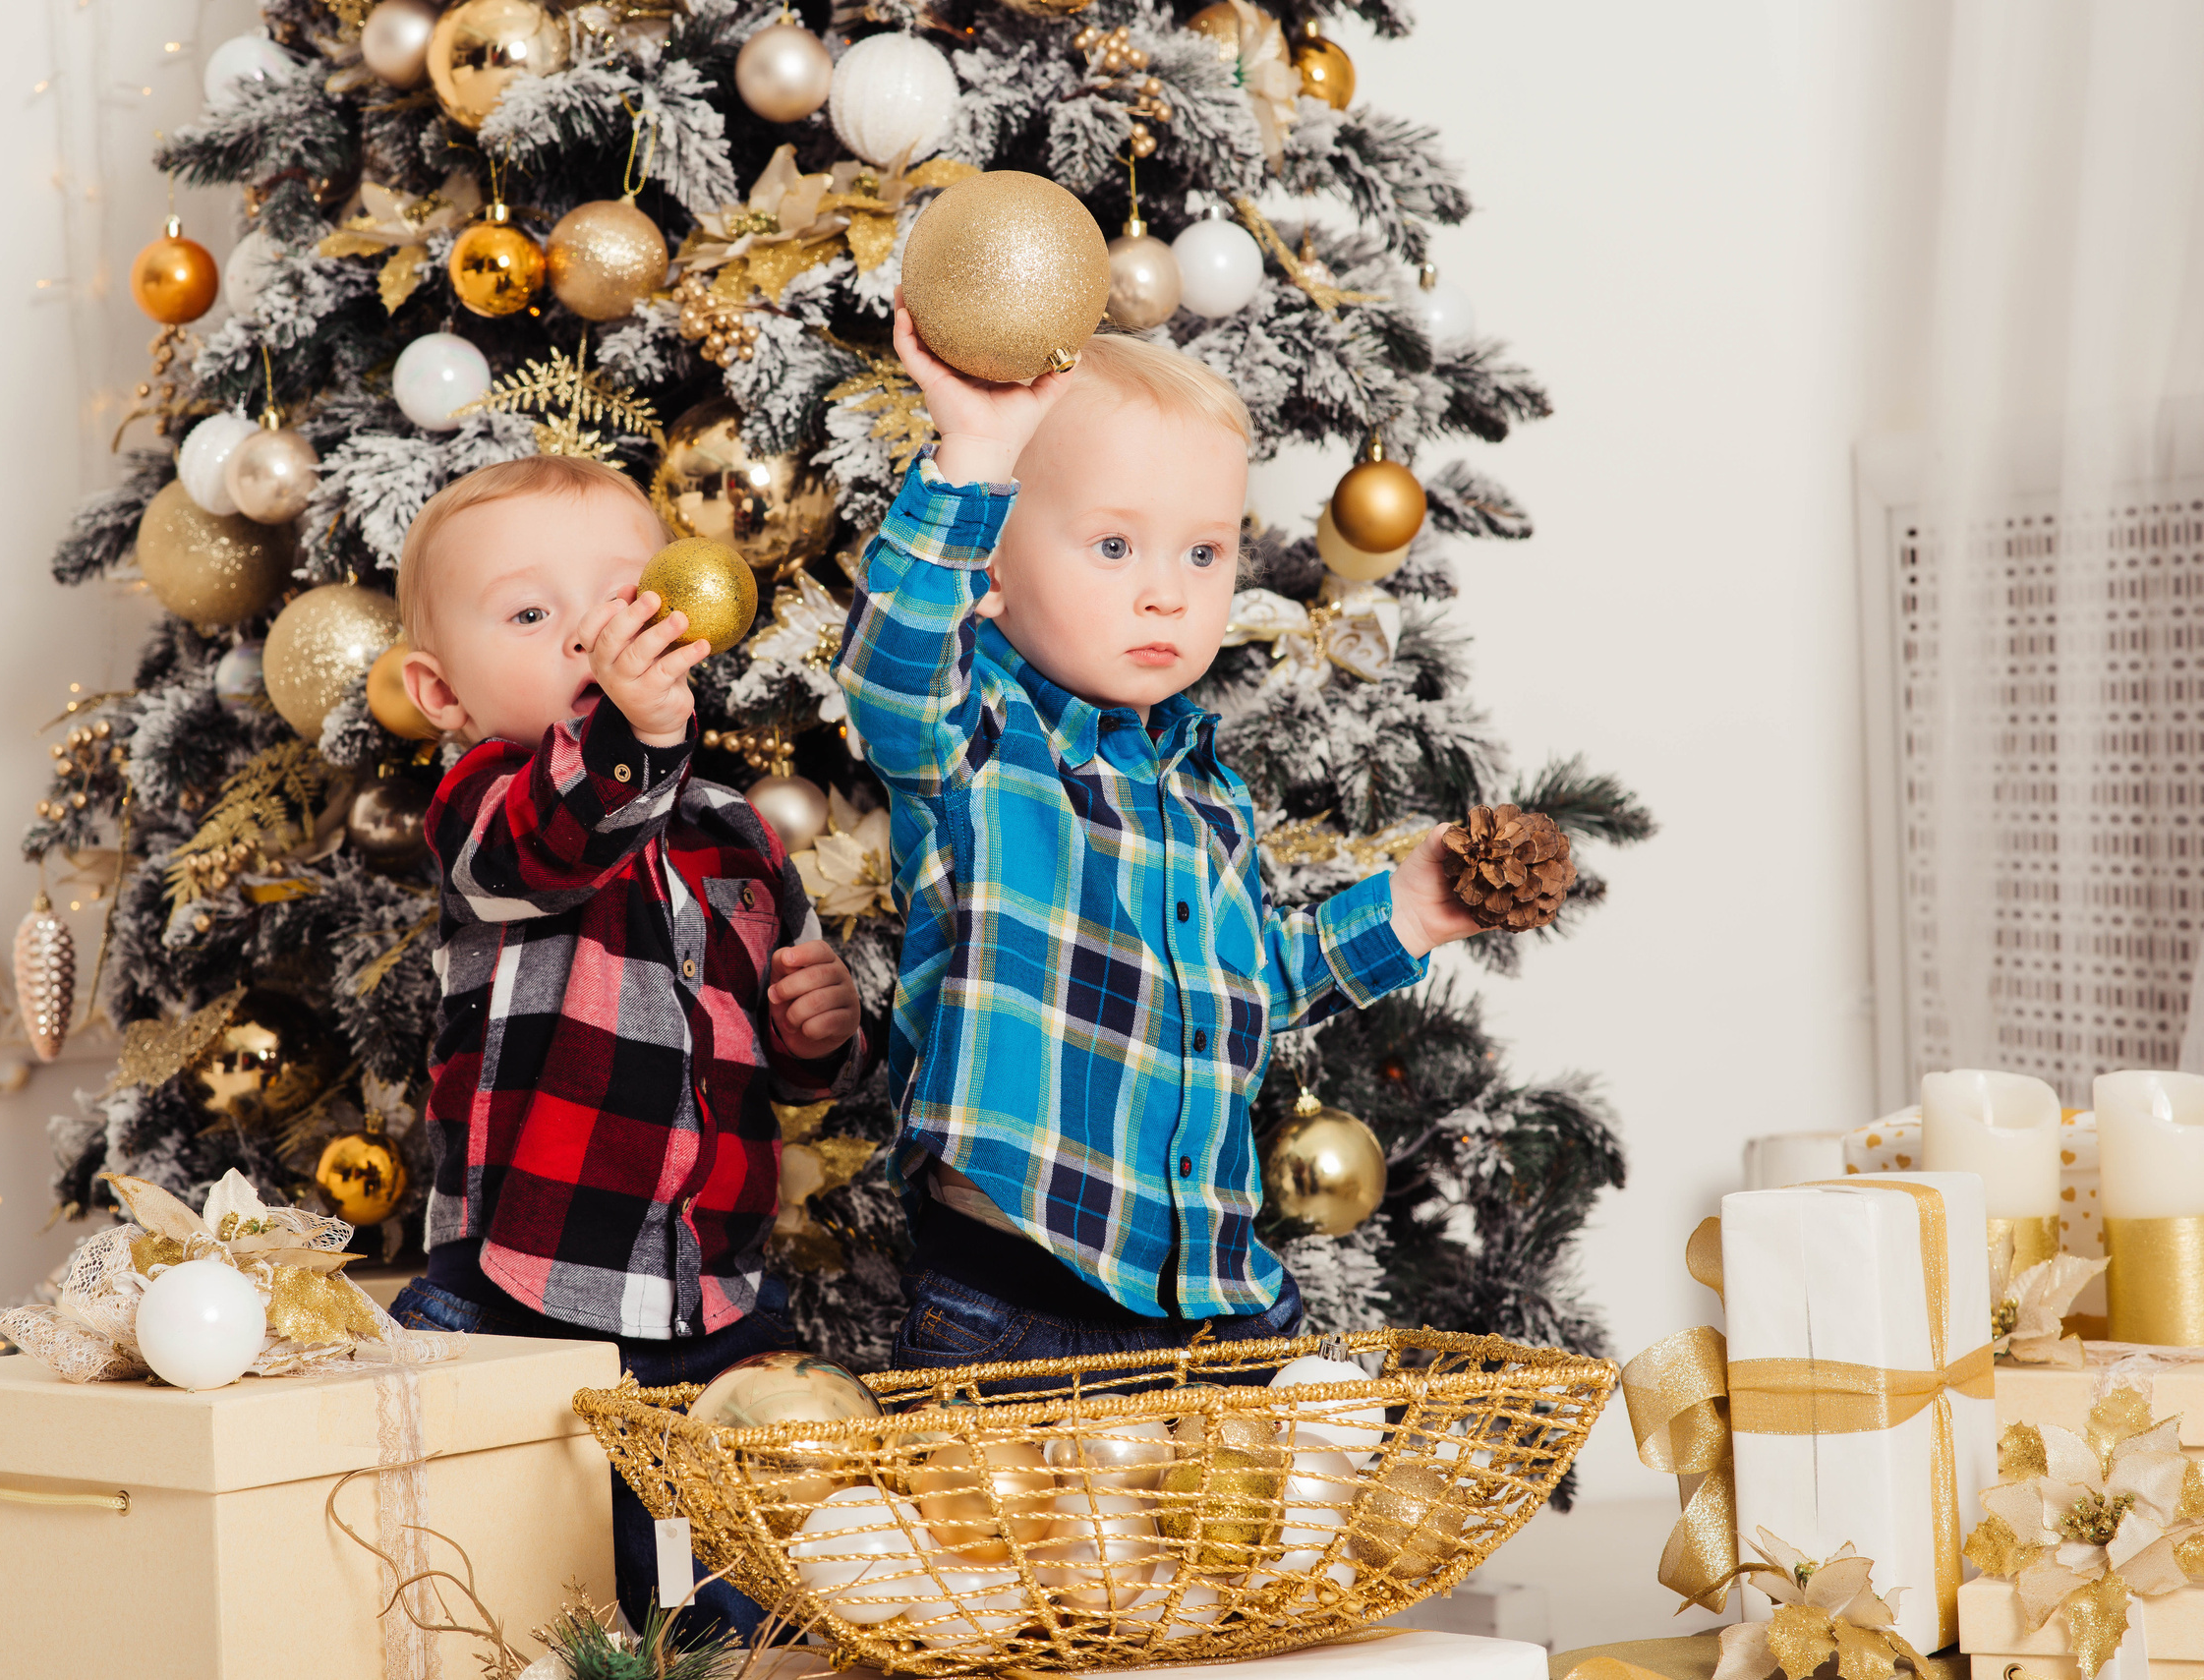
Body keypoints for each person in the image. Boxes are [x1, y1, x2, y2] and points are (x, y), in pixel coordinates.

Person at [833, 301, 1482, 1381]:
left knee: (1304, 1479)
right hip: (1018, 1304)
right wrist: (975, 455)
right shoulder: (976, 742)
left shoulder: (1204, 791)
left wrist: (1406, 914)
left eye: (1203, 552)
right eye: (1113, 545)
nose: (1166, 593)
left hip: (1209, 1303)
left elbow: (1246, 988)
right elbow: (889, 668)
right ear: (992, 570)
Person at [382, 454, 864, 1639]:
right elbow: (561, 836)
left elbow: (783, 1061)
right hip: (530, 1286)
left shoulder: (734, 831)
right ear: (441, 691)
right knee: (522, 1585)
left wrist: (820, 1030)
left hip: (713, 1293)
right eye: (530, 613)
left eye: (618, 598)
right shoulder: (481, 807)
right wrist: (633, 731)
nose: (589, 634)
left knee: (744, 1600)